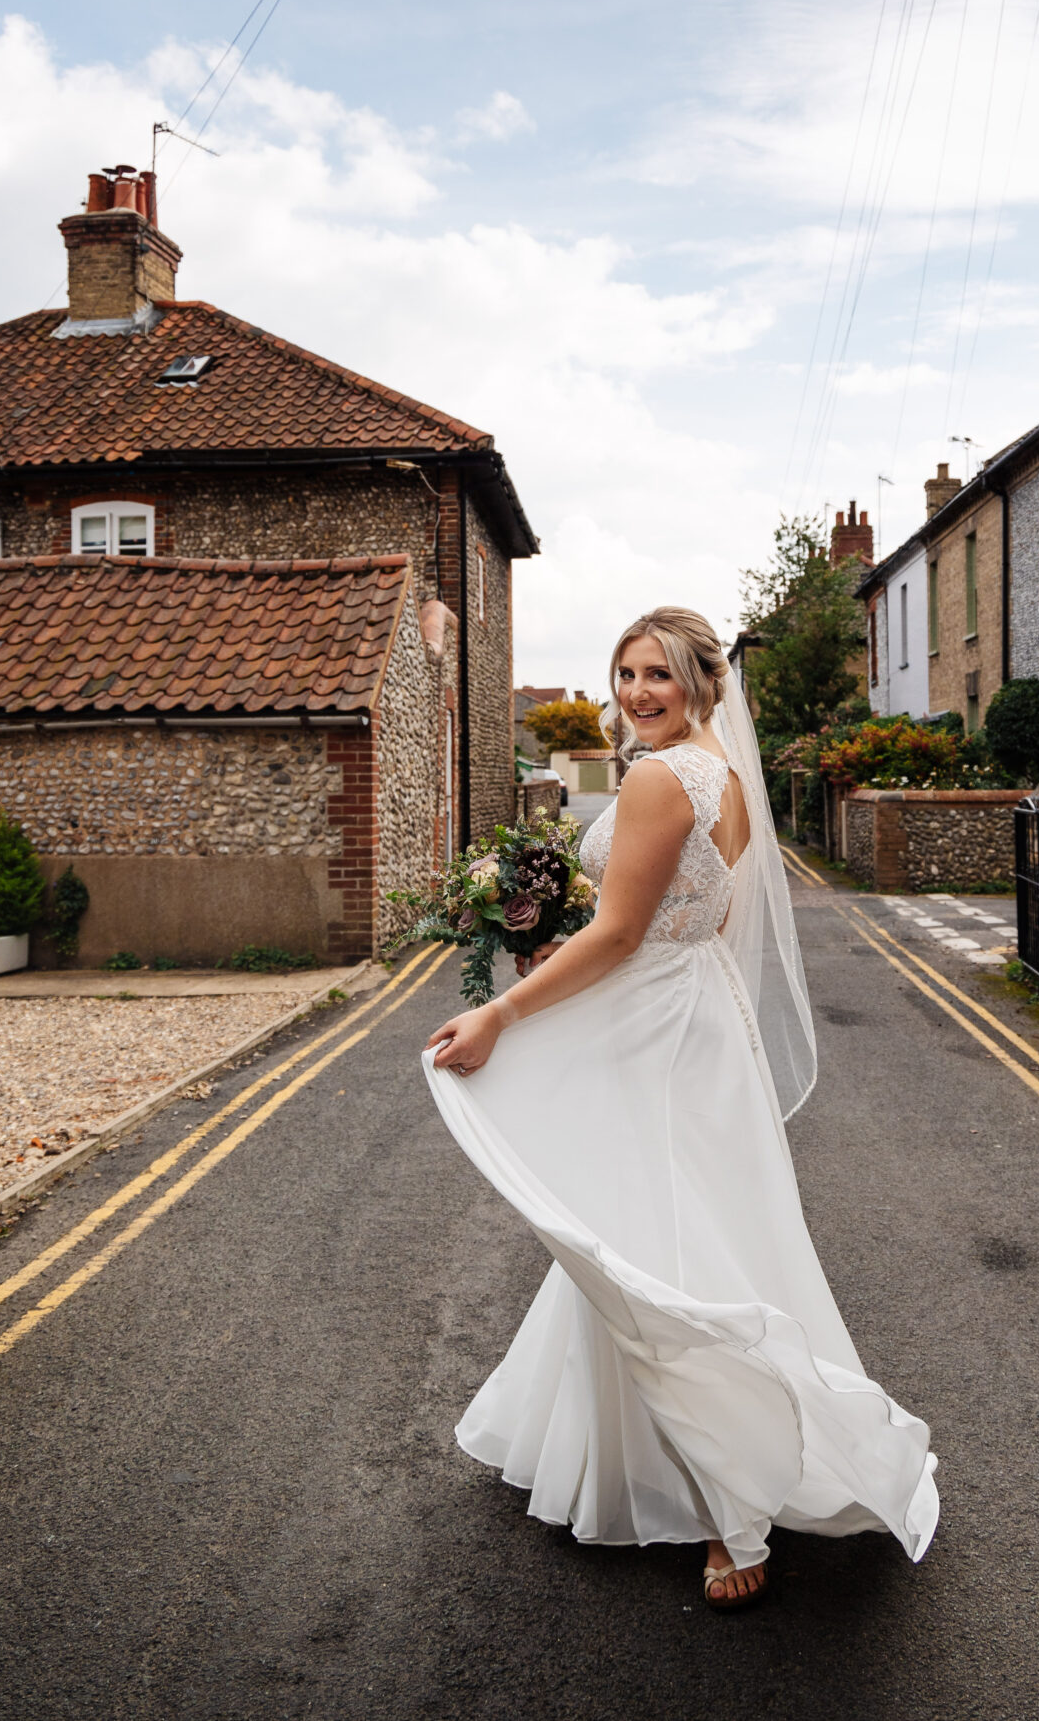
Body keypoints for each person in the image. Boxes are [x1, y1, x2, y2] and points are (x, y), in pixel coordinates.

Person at [425, 607, 938, 1609]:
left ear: (703, 681)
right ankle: (601, 1446)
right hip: (695, 1017)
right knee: (651, 1230)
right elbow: (705, 915)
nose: (635, 694)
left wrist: (500, 1011)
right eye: (623, 673)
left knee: (665, 1248)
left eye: (657, 674)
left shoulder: (663, 779)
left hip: (657, 1034)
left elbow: (619, 934)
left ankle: (729, 1508)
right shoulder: (725, 775)